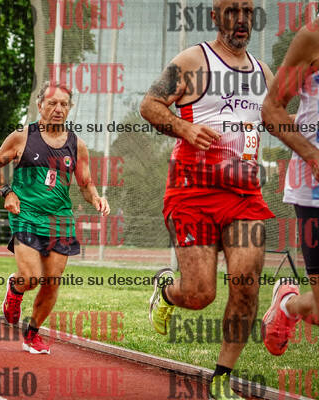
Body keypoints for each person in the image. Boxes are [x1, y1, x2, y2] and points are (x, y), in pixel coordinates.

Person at [139, 1, 275, 398]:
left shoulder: (264, 73)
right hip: (192, 191)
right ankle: (167, 291)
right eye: (232, 11)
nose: (241, 20)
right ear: (215, 17)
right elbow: (149, 105)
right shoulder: (193, 61)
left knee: (247, 286)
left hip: (244, 195)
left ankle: (221, 377)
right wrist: (184, 128)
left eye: (247, 12)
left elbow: (280, 120)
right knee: (200, 294)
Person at [0, 81, 110, 355]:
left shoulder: (77, 145)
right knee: (31, 277)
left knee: (52, 280)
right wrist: (7, 192)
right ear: (39, 104)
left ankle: (32, 334)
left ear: (70, 108)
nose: (58, 109)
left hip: (60, 219)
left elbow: (85, 183)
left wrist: (96, 198)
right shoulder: (21, 137)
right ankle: (15, 288)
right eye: (52, 103)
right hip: (27, 214)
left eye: (64, 104)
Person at [260, 21, 319, 355]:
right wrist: (313, 155)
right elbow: (271, 109)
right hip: (314, 190)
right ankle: (288, 305)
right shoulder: (313, 37)